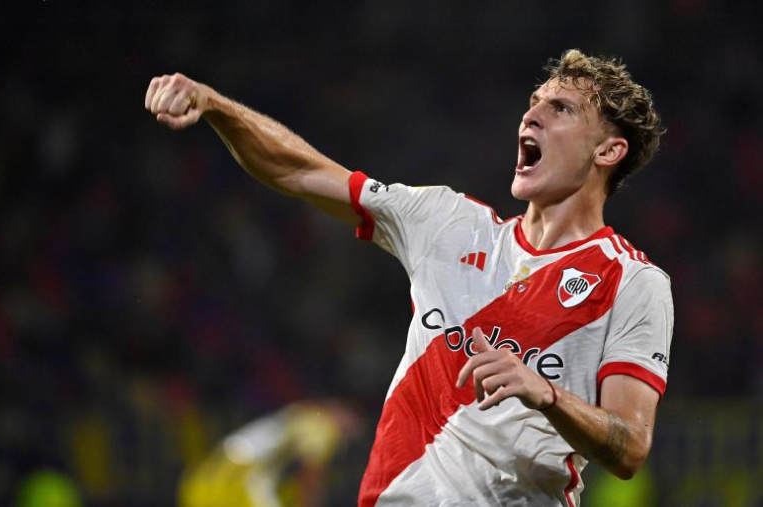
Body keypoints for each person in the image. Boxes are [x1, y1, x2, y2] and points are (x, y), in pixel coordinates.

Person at [145, 49, 673, 507]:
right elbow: (299, 169)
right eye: (534, 102)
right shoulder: (446, 221)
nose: (531, 115)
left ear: (608, 151)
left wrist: (547, 394)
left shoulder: (632, 282)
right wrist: (216, 105)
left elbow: (630, 447)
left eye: (561, 109)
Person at [177, 400, 362, 507]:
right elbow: (311, 475)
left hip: (204, 477)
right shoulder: (322, 426)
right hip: (236, 481)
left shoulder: (298, 413)